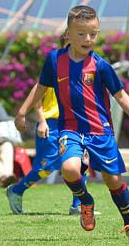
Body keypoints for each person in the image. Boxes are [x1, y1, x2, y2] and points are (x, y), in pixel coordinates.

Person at [15, 5, 129, 236]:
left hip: (100, 131)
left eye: (93, 33)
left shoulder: (101, 66)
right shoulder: (54, 61)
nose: (88, 39)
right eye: (82, 34)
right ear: (68, 34)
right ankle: (85, 200)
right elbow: (41, 87)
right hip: (70, 129)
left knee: (113, 180)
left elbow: (120, 95)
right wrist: (22, 111)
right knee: (69, 168)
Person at [6, 49, 86, 216]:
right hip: (51, 124)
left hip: (73, 124)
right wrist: (42, 121)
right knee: (47, 167)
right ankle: (17, 190)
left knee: (82, 163)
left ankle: (78, 205)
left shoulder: (82, 71)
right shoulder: (54, 69)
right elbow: (37, 98)